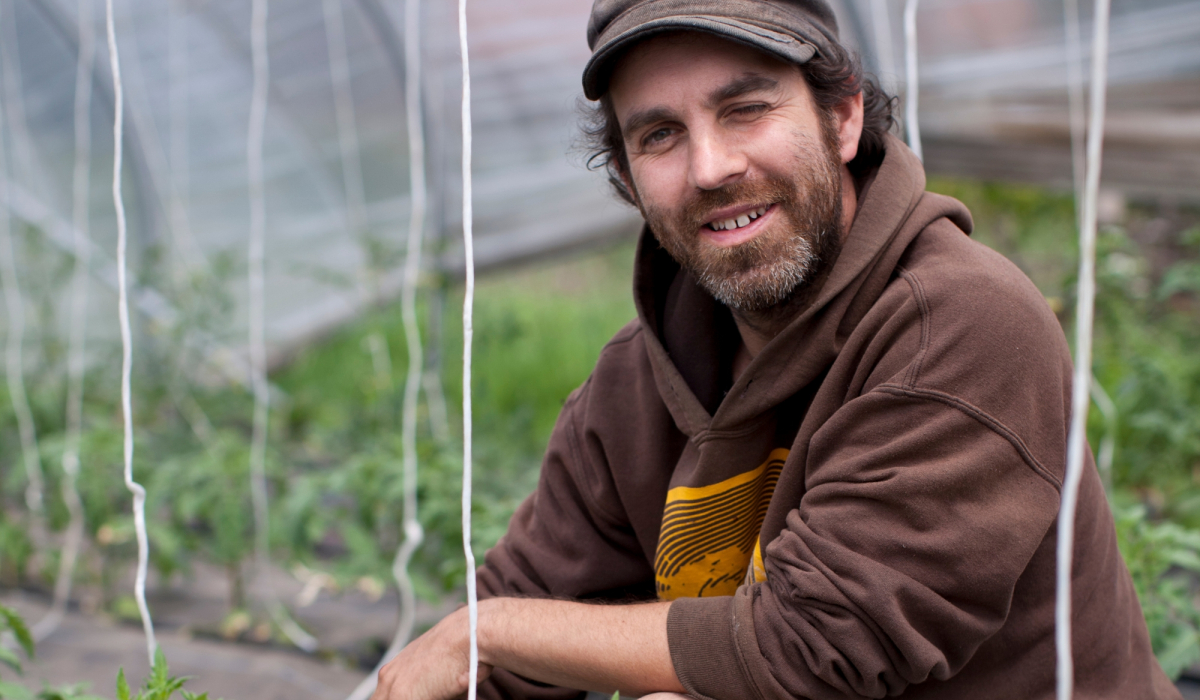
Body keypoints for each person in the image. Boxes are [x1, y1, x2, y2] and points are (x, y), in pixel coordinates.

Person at [374, 1, 1180, 698]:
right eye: (660, 136)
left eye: (746, 109)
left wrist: (483, 631)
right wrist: (479, 646)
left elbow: (820, 648)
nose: (712, 168)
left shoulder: (962, 325)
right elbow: (512, 637)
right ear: (627, 180)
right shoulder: (634, 388)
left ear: (843, 118)